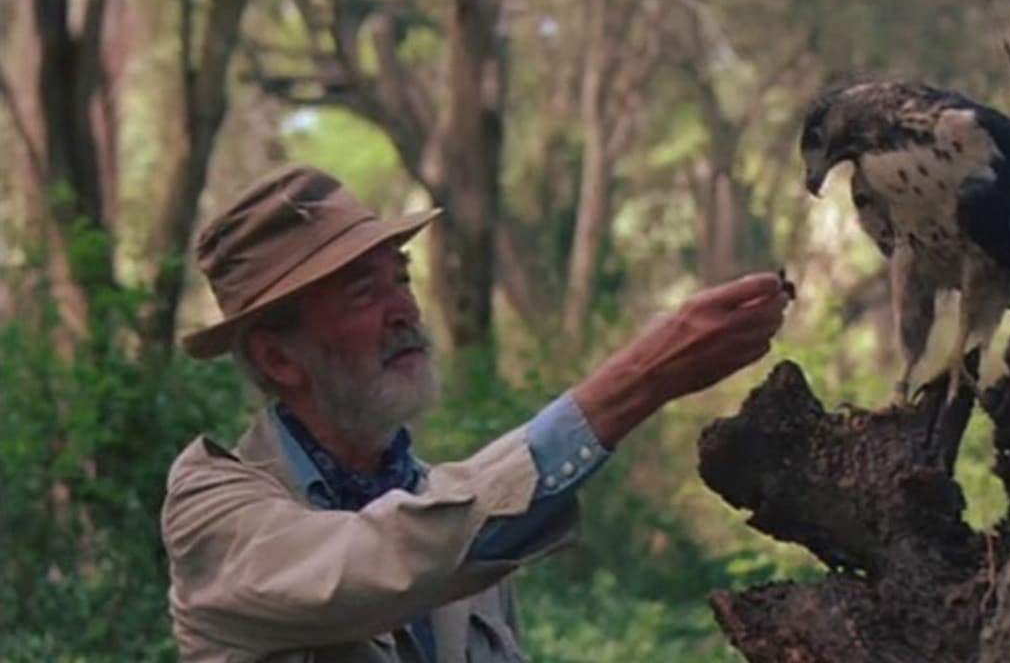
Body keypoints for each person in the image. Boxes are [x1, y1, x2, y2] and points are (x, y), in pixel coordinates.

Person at [161, 165, 790, 662]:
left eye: (400, 278)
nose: (403, 310)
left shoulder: (449, 507)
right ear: (279, 358)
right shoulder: (215, 514)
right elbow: (378, 559)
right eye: (363, 292)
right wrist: (639, 380)